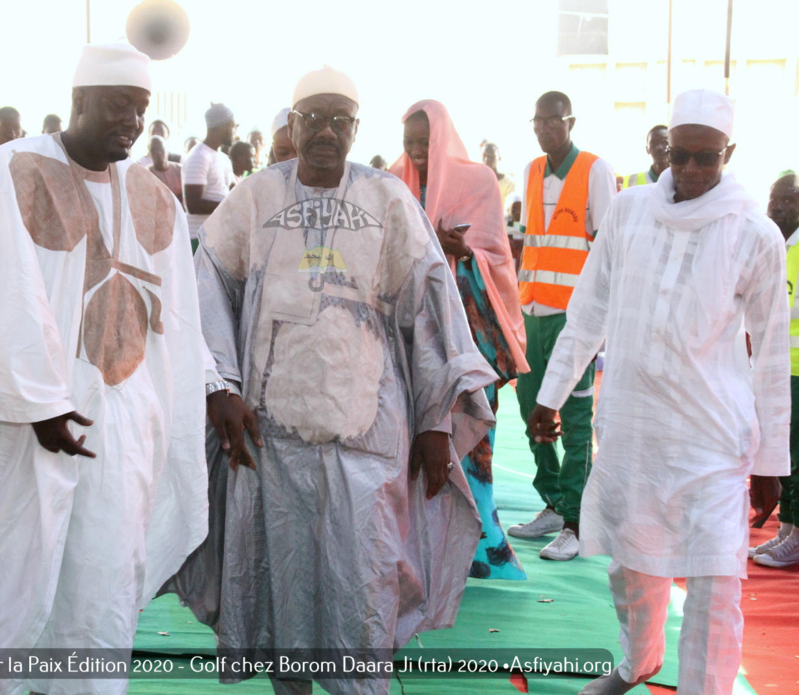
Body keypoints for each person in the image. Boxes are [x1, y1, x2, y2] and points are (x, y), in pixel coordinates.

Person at [0, 44, 209, 695]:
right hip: (22, 428)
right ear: (79, 100)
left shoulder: (155, 198)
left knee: (98, 596)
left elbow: (177, 321)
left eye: (140, 109)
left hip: (118, 435)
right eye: (119, 104)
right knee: (7, 589)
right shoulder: (14, 170)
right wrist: (39, 400)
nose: (132, 121)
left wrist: (186, 402)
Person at [185, 66, 495, 695]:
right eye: (313, 119)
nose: (326, 132)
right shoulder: (255, 197)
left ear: (355, 128)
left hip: (368, 438)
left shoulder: (386, 200)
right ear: (292, 124)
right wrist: (221, 386)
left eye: (339, 121)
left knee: (364, 588)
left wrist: (437, 422)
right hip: (271, 437)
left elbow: (430, 311)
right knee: (284, 589)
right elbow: (208, 287)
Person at [528, 89, 788, 694]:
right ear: (667, 149)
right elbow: (588, 309)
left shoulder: (756, 234)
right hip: (633, 428)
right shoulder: (628, 211)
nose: (693, 171)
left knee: (715, 586)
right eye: (682, 156)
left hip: (713, 441)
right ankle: (637, 662)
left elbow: (771, 353)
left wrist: (774, 463)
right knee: (631, 566)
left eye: (707, 158)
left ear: (730, 152)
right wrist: (551, 393)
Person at [390, 99, 529, 580]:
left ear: (443, 138)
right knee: (414, 433)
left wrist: (461, 250)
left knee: (472, 431)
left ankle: (478, 547)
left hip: (470, 328)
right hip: (413, 328)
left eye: (425, 143)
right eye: (409, 143)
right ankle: (421, 545)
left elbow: (495, 251)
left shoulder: (478, 182)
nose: (416, 152)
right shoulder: (393, 179)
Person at [509, 90, 616, 561]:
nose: (545, 129)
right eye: (538, 122)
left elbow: (610, 250)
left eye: (554, 121)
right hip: (530, 315)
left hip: (574, 321)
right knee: (531, 407)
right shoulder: (531, 171)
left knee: (572, 420)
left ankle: (577, 521)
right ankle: (553, 502)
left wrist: (600, 322)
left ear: (569, 122)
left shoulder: (594, 170)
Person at [750, 171, 799, 568]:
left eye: (790, 200)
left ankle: (796, 537)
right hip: (774, 369)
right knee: (782, 452)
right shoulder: (773, 245)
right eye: (775, 199)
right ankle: (786, 529)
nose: (779, 207)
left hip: (797, 369)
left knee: (794, 455)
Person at [182, 103, 237, 242]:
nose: (235, 132)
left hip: (218, 238)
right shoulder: (199, 156)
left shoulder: (223, 158)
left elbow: (231, 193)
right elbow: (193, 204)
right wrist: (231, 205)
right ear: (223, 126)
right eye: (233, 126)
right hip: (198, 238)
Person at [146, 134, 182, 206]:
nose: (158, 153)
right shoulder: (145, 174)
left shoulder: (180, 169)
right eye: (153, 150)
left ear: (167, 150)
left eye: (161, 148)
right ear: (149, 154)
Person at [481, 141, 514, 210]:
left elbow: (511, 210)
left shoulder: (509, 183)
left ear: (499, 158)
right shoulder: (476, 182)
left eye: (490, 156)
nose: (486, 159)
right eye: (484, 156)